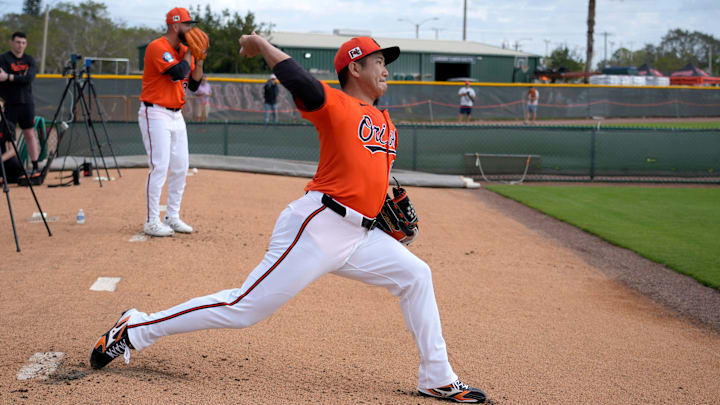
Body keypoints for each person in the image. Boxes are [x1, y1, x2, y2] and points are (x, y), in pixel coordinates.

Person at [89, 34, 488, 404]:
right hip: (317, 225)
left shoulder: (387, 123)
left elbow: (371, 180)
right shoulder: (336, 106)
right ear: (354, 67)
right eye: (379, 62)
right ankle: (136, 328)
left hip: (360, 235)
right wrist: (261, 43)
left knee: (416, 275)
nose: (386, 70)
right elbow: (300, 81)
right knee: (243, 308)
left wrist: (383, 206)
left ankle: (436, 376)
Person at [138, 7, 204, 237]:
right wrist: (189, 55)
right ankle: (151, 221)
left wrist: (200, 58)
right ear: (175, 25)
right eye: (187, 24)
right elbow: (177, 73)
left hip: (177, 115)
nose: (191, 29)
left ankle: (173, 216)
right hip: (155, 112)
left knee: (180, 167)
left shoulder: (187, 49)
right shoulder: (157, 47)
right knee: (159, 167)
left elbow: (194, 84)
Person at [0, 32, 40, 180]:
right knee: (8, 139)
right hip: (9, 104)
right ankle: (7, 169)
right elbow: (1, 78)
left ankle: (35, 167)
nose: (20, 45)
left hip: (26, 103)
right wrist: (17, 78)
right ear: (11, 42)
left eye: (23, 43)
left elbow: (28, 79)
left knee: (29, 134)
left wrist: (9, 77)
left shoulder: (29, 60)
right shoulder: (3, 59)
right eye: (17, 42)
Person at [0, 98, 23, 184]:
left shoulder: (8, 125)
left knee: (14, 162)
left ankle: (9, 179)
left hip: (2, 159)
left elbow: (13, 150)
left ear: (3, 109)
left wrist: (0, 159)